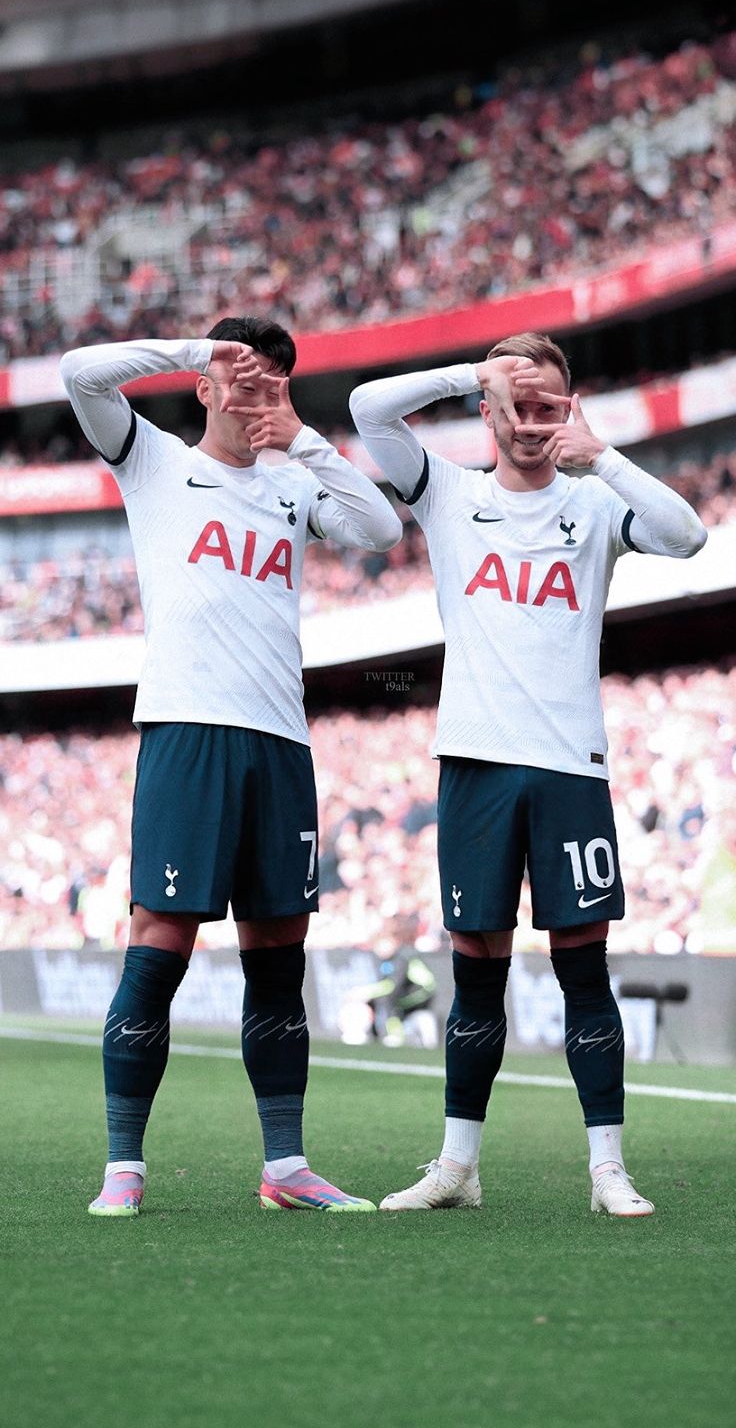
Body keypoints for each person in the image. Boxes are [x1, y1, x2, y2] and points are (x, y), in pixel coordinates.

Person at [349, 332, 707, 1216]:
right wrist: (470, 373)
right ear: (487, 409)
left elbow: (689, 536)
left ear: (569, 409)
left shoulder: (593, 506)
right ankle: (456, 1167)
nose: (532, 421)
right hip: (474, 764)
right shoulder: (448, 493)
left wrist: (606, 456)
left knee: (584, 972)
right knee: (477, 970)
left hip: (569, 771)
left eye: (549, 404)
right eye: (515, 403)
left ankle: (607, 1172)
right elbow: (367, 410)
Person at [60, 316, 402, 1215]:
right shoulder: (154, 460)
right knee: (161, 946)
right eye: (240, 377)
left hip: (280, 742)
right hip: (187, 732)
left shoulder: (293, 481)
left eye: (271, 381)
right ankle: (123, 1167)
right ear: (206, 386)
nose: (255, 393)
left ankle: (285, 1167)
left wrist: (309, 439)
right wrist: (189, 352)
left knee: (278, 955)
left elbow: (379, 531)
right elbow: (81, 373)